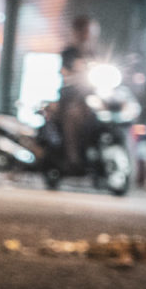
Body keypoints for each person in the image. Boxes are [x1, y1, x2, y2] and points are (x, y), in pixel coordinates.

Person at [56, 15, 100, 172]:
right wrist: (74, 72)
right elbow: (65, 72)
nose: (91, 34)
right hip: (72, 98)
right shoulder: (69, 53)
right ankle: (73, 158)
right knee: (73, 115)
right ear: (78, 32)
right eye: (87, 31)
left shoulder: (95, 53)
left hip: (94, 98)